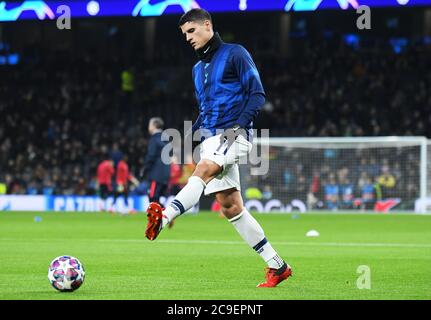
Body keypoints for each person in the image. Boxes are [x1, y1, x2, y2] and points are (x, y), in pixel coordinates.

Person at [144, 9, 292, 288]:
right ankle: (278, 266)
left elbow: (257, 93)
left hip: (235, 134)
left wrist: (239, 126)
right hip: (211, 139)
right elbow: (205, 110)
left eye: (191, 31)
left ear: (207, 25)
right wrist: (188, 138)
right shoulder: (197, 69)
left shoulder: (236, 53)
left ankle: (164, 218)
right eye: (184, 34)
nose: (188, 38)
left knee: (203, 170)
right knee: (231, 207)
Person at [142, 117, 171, 205]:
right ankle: (165, 216)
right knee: (157, 197)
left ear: (154, 126)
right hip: (165, 174)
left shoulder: (154, 139)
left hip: (156, 174)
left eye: (150, 124)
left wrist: (144, 169)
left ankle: (163, 217)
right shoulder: (167, 139)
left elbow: (151, 156)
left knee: (153, 197)